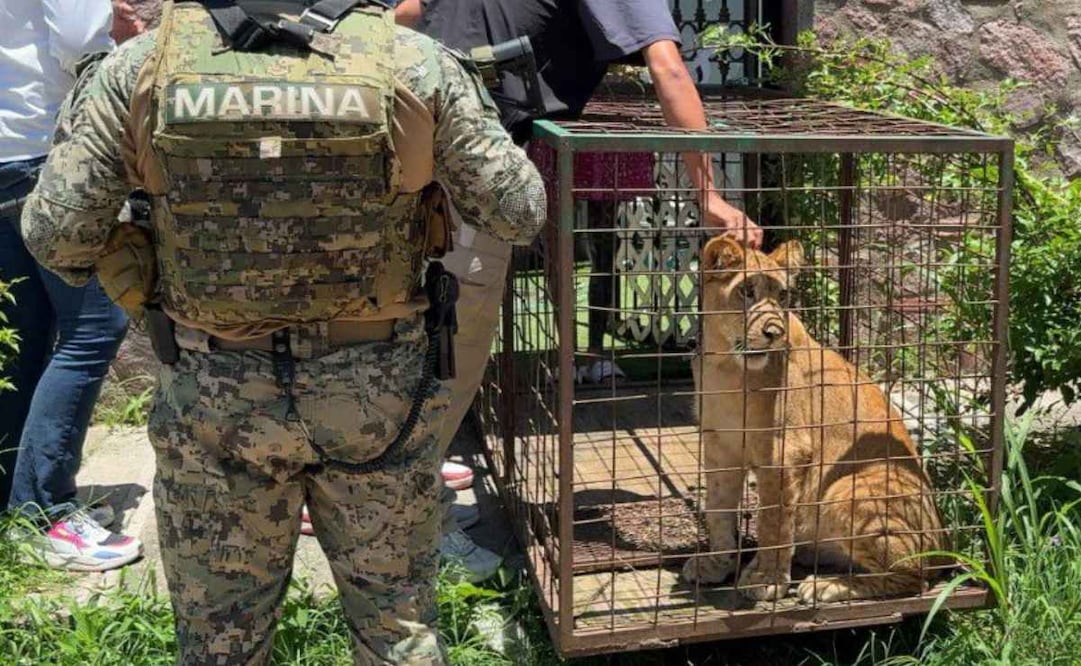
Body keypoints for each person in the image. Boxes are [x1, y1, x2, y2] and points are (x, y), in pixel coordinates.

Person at [21, 0, 545, 663]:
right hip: (378, 395)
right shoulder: (414, 62)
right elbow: (518, 210)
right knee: (398, 633)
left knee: (220, 644)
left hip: (214, 393)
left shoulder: (139, 67)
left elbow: (57, 237)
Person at [395, 0, 765, 581]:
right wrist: (708, 195)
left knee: (400, 338)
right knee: (452, 354)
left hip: (398, 153)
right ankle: (412, 537)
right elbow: (667, 67)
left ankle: (375, 478)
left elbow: (408, 11)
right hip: (457, 170)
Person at [1, 0, 142, 571]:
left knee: (23, 336)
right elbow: (81, 35)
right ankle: (43, 510)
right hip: (49, 152)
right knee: (93, 328)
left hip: (7, 150)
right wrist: (116, 26)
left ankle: (13, 499)